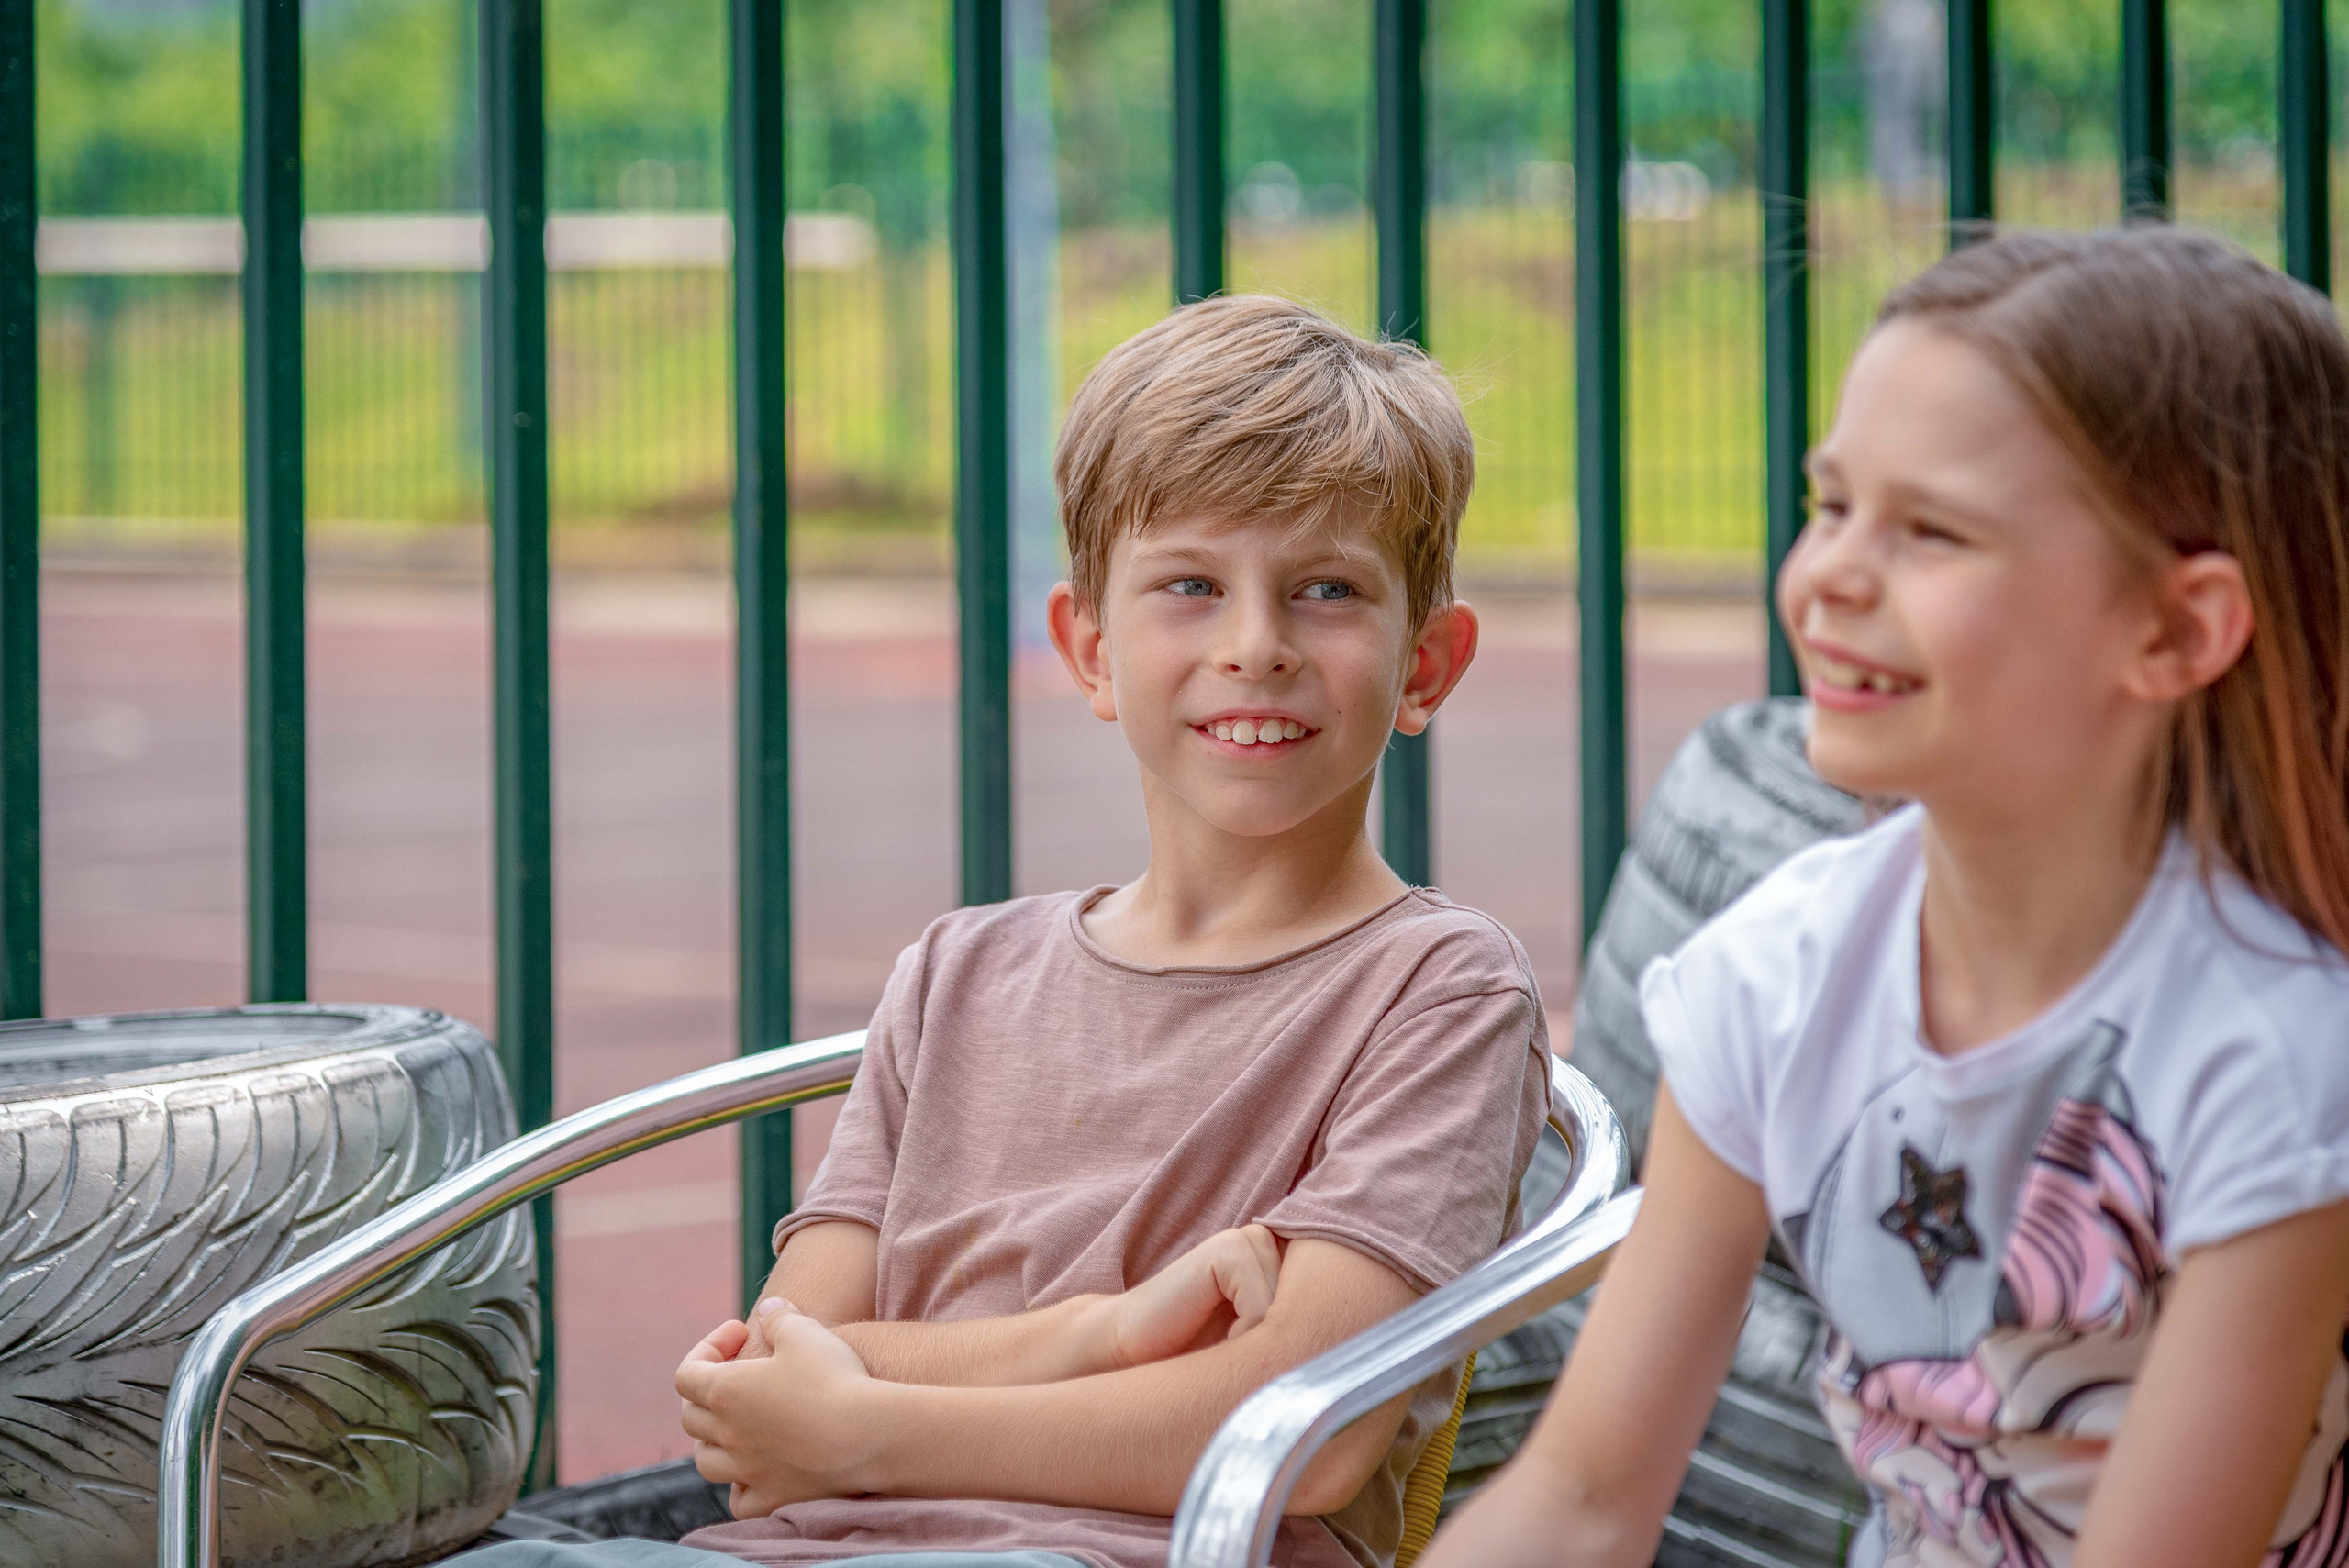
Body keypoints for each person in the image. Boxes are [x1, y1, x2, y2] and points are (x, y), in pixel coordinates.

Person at [457, 295, 1553, 1568]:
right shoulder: (956, 974)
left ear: (1425, 664)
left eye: (1326, 590)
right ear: (1089, 649)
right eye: (1191, 586)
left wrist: (869, 1429)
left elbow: (1302, 1434)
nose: (1256, 645)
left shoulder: (1441, 991)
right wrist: (1103, 1335)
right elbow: (775, 1376)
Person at [1420, 225, 2349, 1568]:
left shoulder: (2280, 1059)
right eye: (1833, 504)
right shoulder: (1777, 974)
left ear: (2177, 629)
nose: (1829, 576)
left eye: (1932, 531)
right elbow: (1582, 1497)